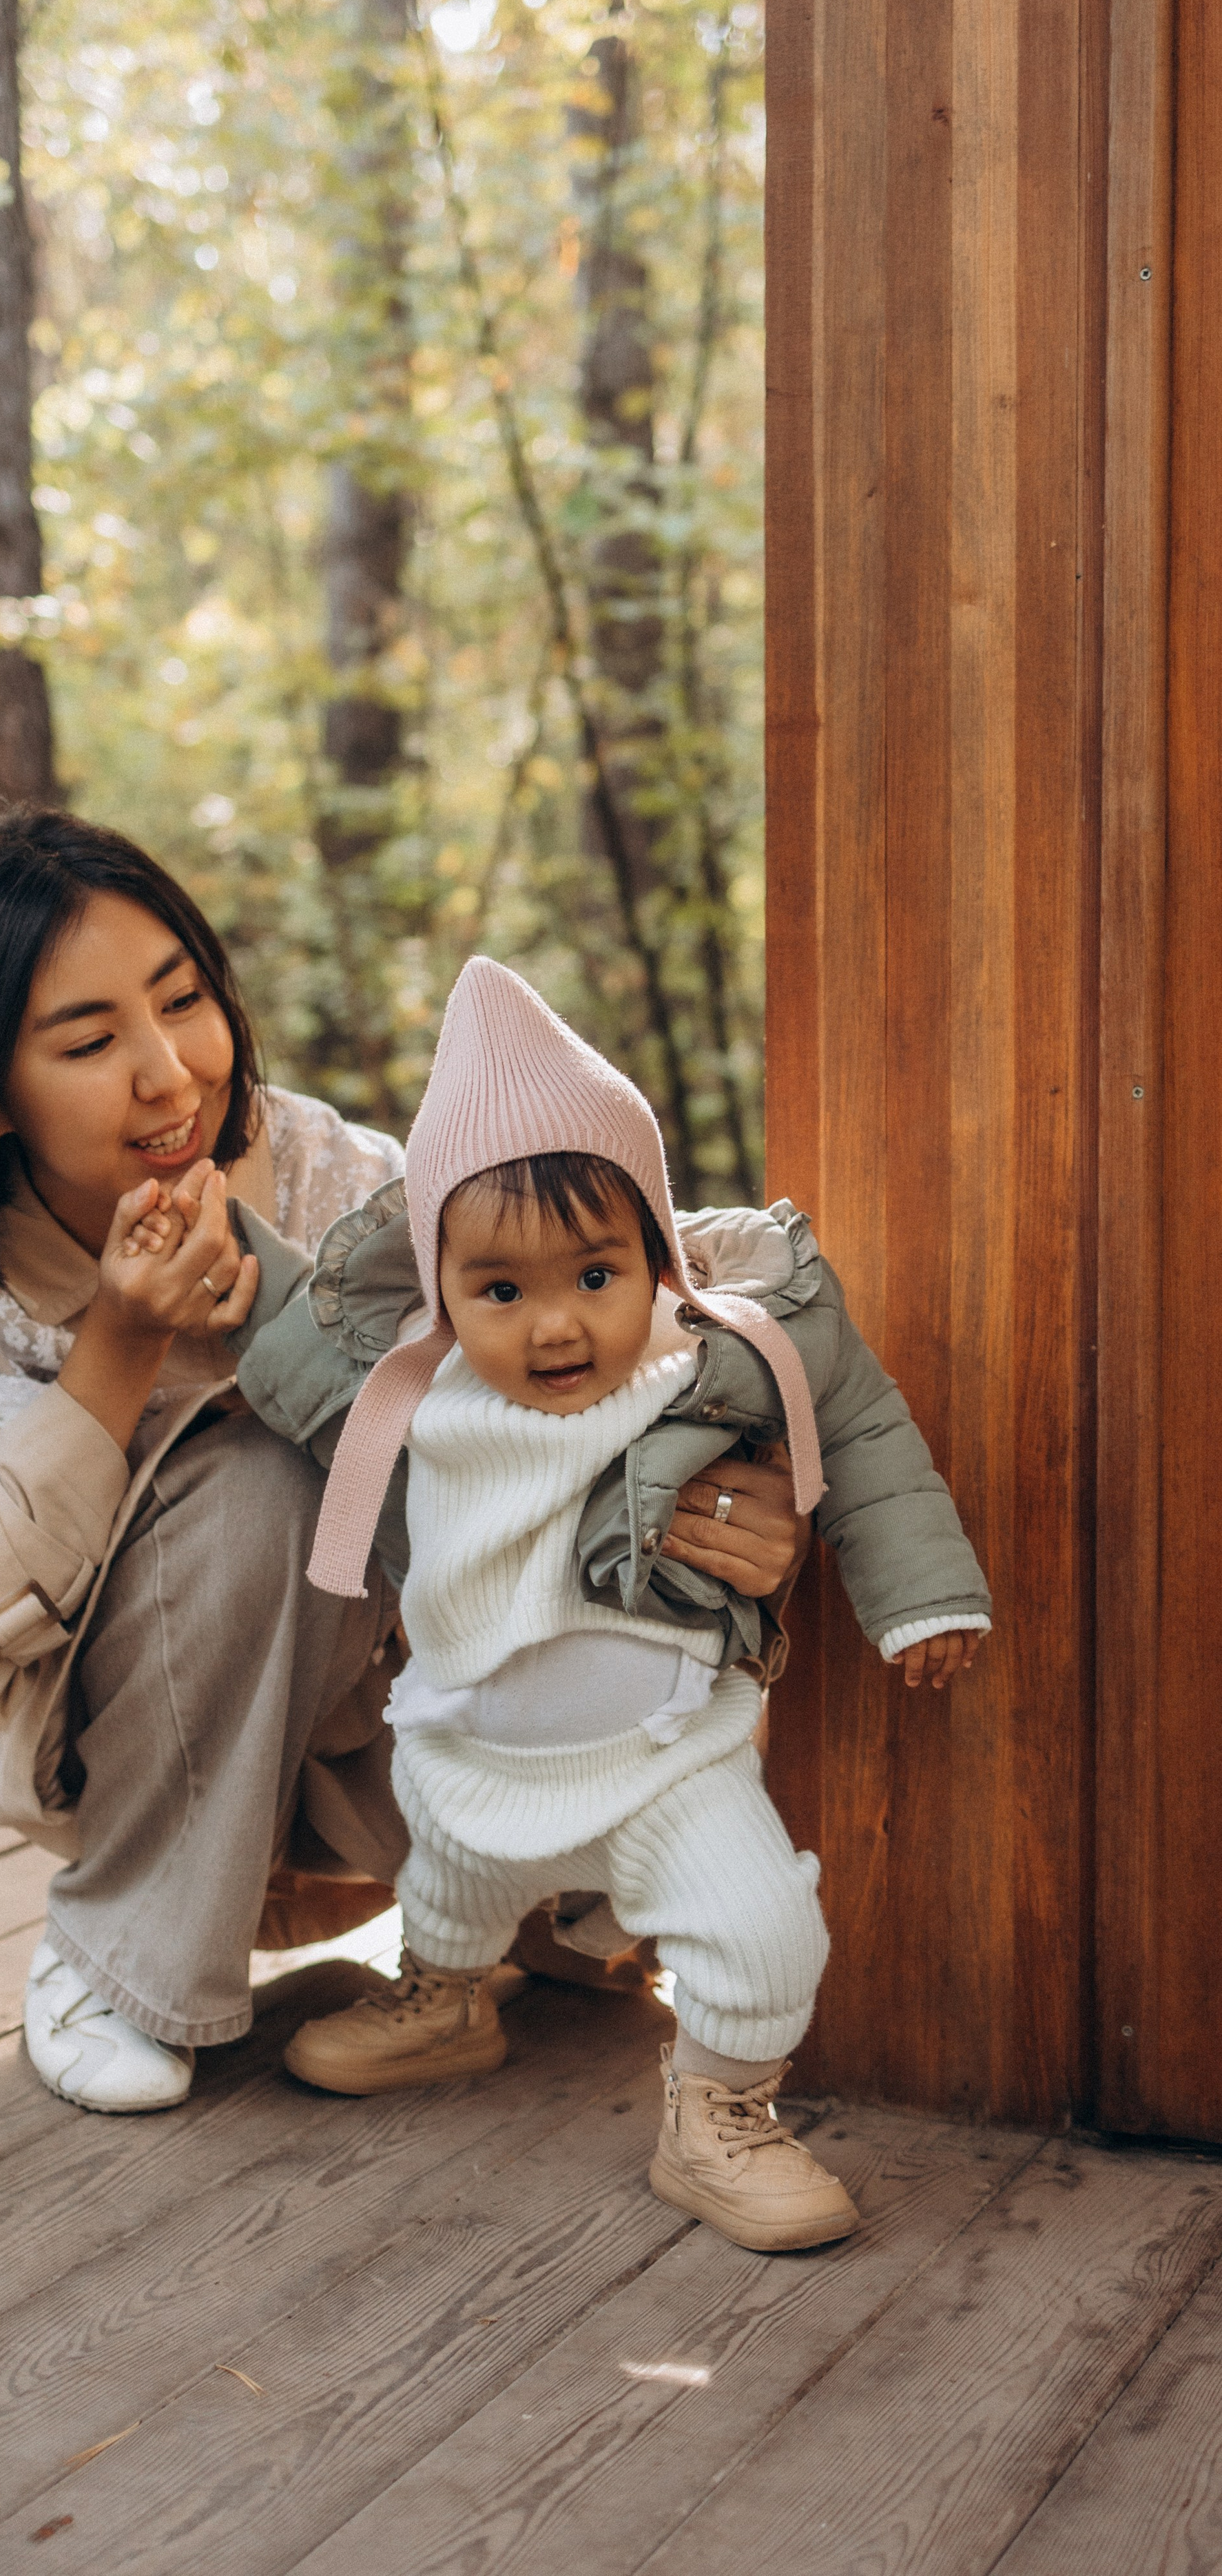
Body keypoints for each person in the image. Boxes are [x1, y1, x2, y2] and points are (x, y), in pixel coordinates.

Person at [0, 812, 809, 2119]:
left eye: (184, 1002)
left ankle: (537, 1886)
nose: (171, 1075)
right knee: (270, 1473)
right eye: (92, 1041)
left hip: (390, 1693)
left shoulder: (329, 1173)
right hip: (105, 1730)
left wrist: (750, 1476)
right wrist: (120, 1342)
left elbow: (617, 1309)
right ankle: (121, 1956)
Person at [223, 958, 991, 2252]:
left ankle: (719, 2116)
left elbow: (862, 1428)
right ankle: (448, 1998)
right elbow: (292, 1352)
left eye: (596, 1273)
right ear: (439, 1288)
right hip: (470, 1753)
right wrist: (228, 1260)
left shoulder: (719, 1368)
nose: (558, 1326)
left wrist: (922, 1598)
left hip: (666, 1767)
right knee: (452, 1885)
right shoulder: (421, 1390)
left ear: (659, 1251)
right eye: (500, 1291)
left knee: (765, 1938)